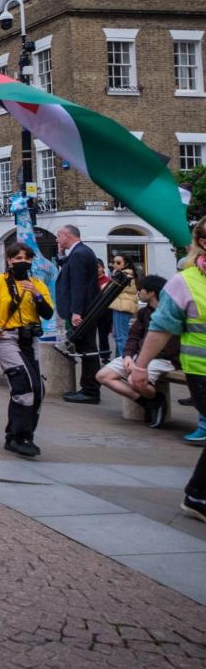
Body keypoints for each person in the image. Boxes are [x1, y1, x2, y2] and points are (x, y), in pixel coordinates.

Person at [131, 220, 206, 526]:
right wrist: (140, 366)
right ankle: (197, 496)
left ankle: (197, 495)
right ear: (201, 241)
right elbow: (161, 328)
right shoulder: (184, 281)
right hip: (201, 371)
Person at [0, 243, 55, 458]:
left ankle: (24, 435)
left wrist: (37, 294)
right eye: (17, 258)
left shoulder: (37, 284)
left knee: (38, 390)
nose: (22, 262)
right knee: (24, 386)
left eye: (27, 258)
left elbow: (47, 313)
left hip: (30, 339)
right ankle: (18, 437)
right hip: (7, 337)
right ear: (9, 260)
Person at [97, 274, 175, 428]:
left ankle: (153, 401)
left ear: (151, 292)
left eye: (141, 290)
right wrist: (127, 356)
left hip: (163, 359)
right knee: (103, 376)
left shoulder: (170, 312)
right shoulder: (143, 312)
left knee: (135, 380)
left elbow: (168, 347)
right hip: (140, 357)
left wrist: (140, 362)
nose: (138, 293)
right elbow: (133, 337)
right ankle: (150, 402)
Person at [56, 225, 102, 404]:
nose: (57, 239)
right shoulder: (79, 252)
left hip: (83, 311)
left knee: (87, 349)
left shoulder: (79, 254)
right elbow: (68, 268)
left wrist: (76, 312)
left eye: (59, 236)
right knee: (84, 347)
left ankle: (90, 390)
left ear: (67, 235)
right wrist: (60, 253)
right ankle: (89, 388)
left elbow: (79, 285)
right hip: (86, 309)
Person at [109, 253, 139, 360]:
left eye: (118, 262)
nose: (115, 265)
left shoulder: (124, 275)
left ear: (126, 264)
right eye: (114, 262)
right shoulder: (125, 274)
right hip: (122, 306)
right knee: (119, 336)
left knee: (121, 337)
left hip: (122, 307)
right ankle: (119, 359)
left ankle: (123, 361)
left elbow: (111, 288)